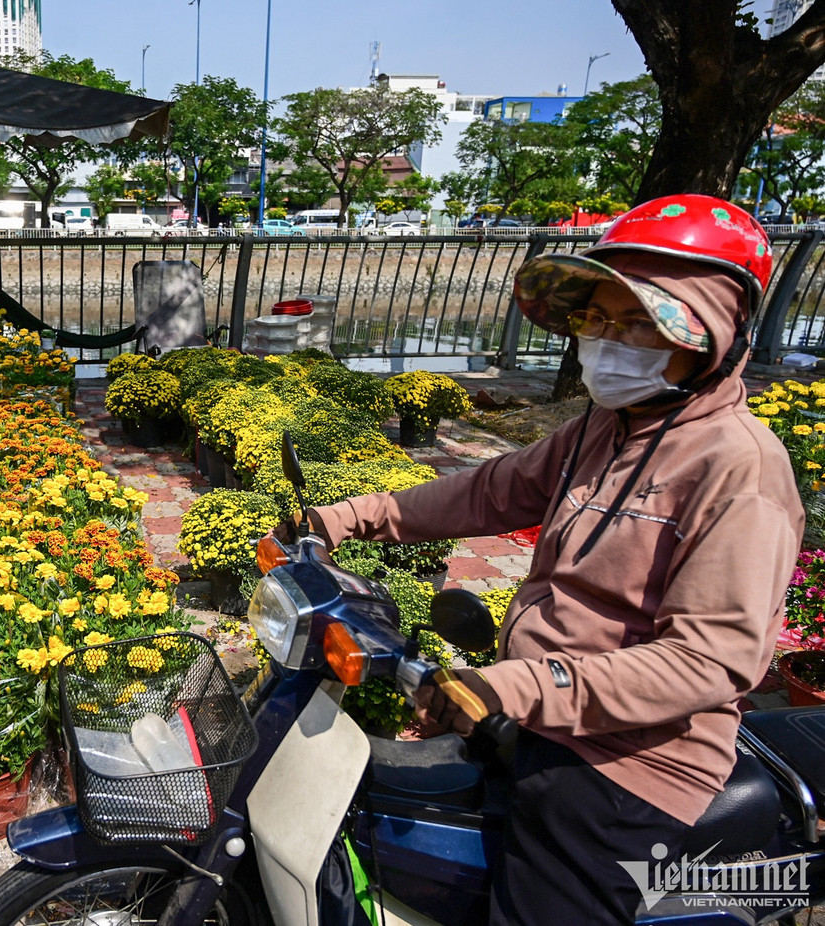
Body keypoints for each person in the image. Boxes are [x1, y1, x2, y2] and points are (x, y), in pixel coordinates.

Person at [277, 194, 804, 925]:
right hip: (541, 715)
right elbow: (490, 491)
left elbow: (710, 662)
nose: (609, 341)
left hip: (625, 768)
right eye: (598, 318)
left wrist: (514, 684)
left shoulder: (738, 468)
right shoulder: (607, 425)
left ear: (714, 333)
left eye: (640, 323)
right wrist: (342, 517)